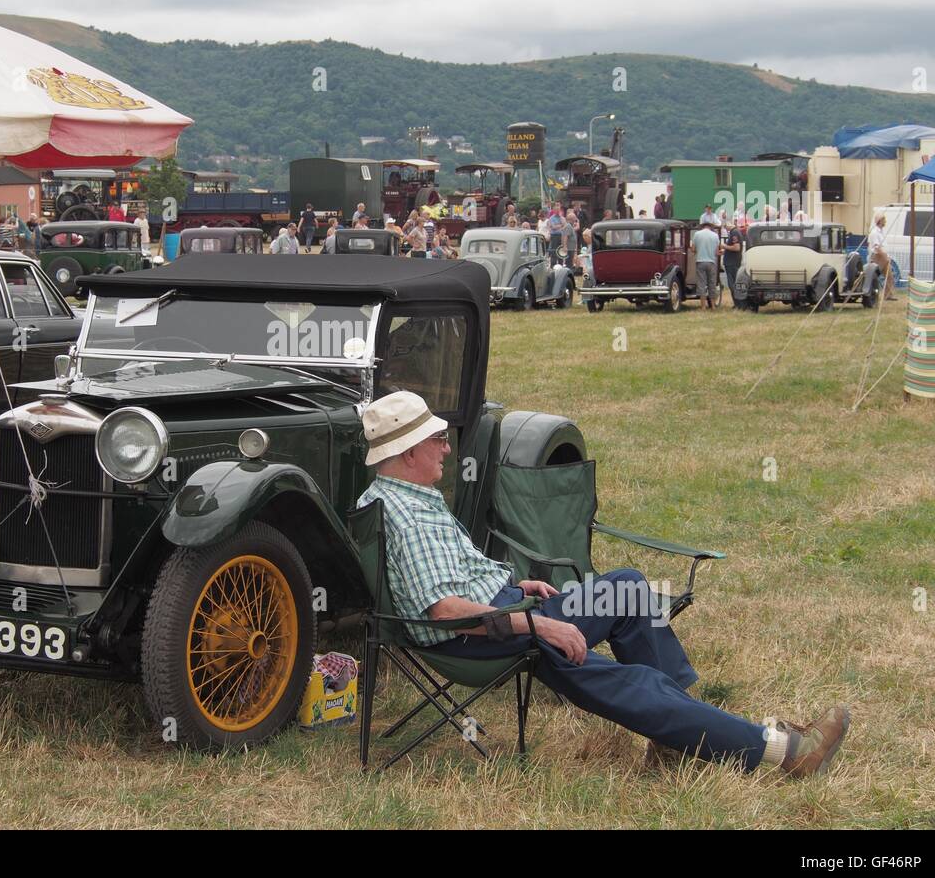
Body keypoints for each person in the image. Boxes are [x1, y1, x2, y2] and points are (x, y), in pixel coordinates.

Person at [355, 391, 851, 777]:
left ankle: (678, 734)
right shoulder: (410, 514)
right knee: (635, 682)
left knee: (629, 589)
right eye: (437, 439)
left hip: (505, 611)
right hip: (489, 636)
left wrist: (517, 585)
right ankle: (783, 752)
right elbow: (447, 615)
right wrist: (540, 627)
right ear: (408, 451)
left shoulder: (400, 496)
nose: (447, 446)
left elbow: (448, 583)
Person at [690, 219, 720, 310]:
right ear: (710, 226)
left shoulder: (697, 234)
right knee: (712, 283)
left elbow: (693, 249)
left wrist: (697, 251)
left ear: (702, 226)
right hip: (711, 262)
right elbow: (717, 251)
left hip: (700, 261)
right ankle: (713, 306)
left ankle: (703, 306)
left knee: (701, 284)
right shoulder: (715, 235)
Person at [870, 212, 896, 300]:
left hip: (883, 256)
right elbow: (876, 247)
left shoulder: (881, 232)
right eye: (884, 219)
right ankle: (871, 294)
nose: (885, 221)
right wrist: (884, 256)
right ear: (880, 221)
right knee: (873, 276)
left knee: (889, 276)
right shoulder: (874, 232)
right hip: (878, 257)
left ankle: (888, 295)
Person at [721, 221, 745, 297]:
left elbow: (737, 248)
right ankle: (737, 302)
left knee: (733, 284)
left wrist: (724, 246)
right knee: (733, 283)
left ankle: (738, 302)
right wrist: (724, 251)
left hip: (732, 263)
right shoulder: (734, 232)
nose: (725, 228)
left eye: (725, 226)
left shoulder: (734, 232)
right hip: (732, 262)